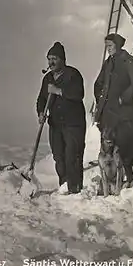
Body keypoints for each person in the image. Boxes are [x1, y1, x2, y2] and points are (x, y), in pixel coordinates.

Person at [36, 42, 86, 195]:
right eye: (49, 59)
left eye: (54, 59)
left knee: (73, 157)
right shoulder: (47, 78)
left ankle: (75, 189)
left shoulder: (73, 75)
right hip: (56, 125)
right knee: (59, 157)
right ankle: (64, 187)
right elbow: (41, 99)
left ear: (63, 60)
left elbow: (78, 94)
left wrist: (58, 91)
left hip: (73, 124)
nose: (51, 62)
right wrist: (40, 113)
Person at [94, 33, 133, 188]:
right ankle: (111, 180)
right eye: (106, 46)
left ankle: (129, 179)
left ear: (118, 45)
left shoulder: (128, 60)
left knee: (124, 146)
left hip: (123, 113)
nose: (107, 49)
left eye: (110, 46)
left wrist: (123, 98)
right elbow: (98, 83)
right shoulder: (108, 63)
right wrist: (100, 100)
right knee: (109, 146)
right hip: (108, 113)